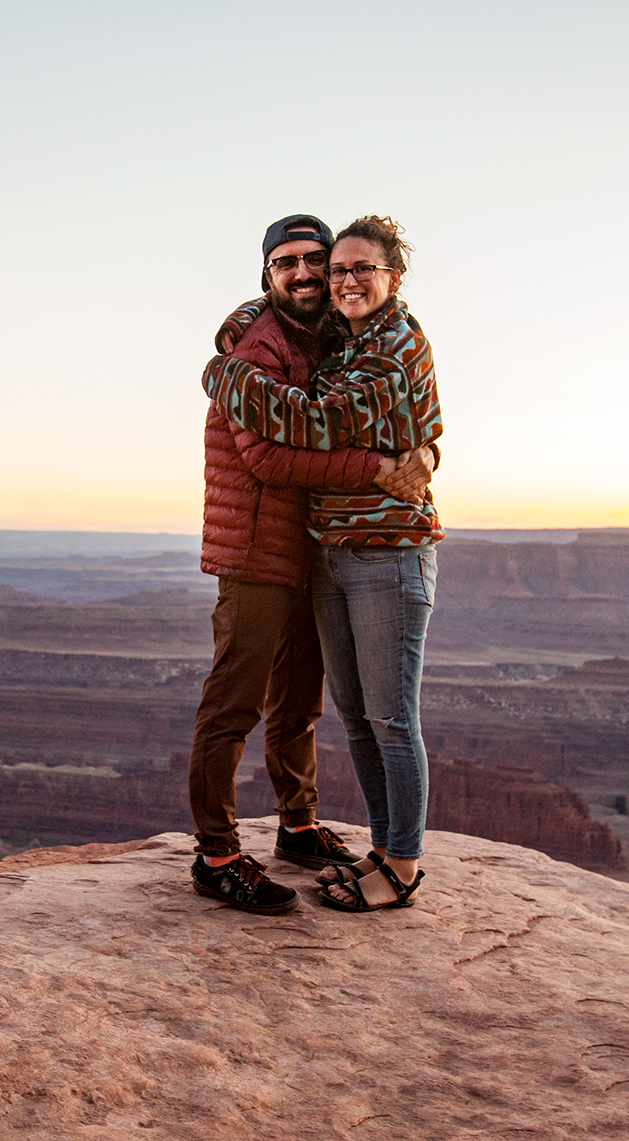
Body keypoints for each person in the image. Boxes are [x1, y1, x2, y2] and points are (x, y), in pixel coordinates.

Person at [187, 214, 432, 915]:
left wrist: (427, 454)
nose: (303, 273)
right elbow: (265, 455)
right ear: (267, 277)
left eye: (314, 262)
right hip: (257, 549)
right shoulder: (255, 350)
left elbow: (412, 408)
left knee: (299, 702)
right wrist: (379, 468)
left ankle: (296, 827)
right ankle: (217, 855)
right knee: (234, 703)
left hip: (314, 548)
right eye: (285, 263)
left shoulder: (334, 337)